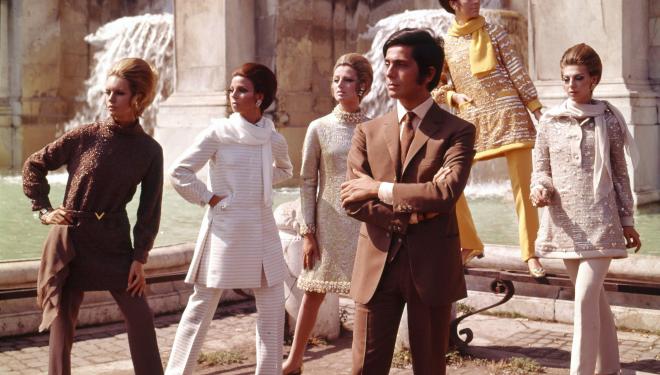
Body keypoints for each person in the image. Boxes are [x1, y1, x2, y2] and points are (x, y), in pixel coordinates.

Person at [340, 28, 475, 374]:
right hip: (376, 266)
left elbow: (444, 193)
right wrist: (409, 216)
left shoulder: (457, 131)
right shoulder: (367, 132)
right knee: (363, 368)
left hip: (432, 266)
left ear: (428, 74)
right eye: (386, 64)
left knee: (430, 368)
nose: (388, 73)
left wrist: (379, 188)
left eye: (400, 65)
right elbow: (352, 198)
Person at [22, 57, 164, 375]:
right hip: (70, 240)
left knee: (140, 315)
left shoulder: (149, 150)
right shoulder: (83, 136)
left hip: (113, 241)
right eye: (107, 92)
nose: (110, 100)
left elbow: (149, 209)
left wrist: (139, 257)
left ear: (138, 98)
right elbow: (34, 164)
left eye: (119, 93)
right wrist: (44, 210)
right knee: (61, 324)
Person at [166, 63, 293, 375]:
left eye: (241, 90)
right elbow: (179, 172)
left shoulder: (271, 138)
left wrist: (259, 184)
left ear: (260, 97)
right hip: (226, 228)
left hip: (263, 229)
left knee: (273, 307)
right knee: (202, 305)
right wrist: (211, 198)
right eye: (231, 90)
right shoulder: (217, 133)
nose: (233, 96)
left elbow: (287, 171)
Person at [530, 43, 641, 375]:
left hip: (602, 221)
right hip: (566, 224)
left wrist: (627, 220)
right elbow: (540, 167)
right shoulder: (549, 120)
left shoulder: (609, 120)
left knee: (583, 299)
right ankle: (611, 368)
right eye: (566, 78)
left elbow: (621, 174)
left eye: (578, 78)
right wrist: (540, 188)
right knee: (596, 302)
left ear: (594, 79)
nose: (570, 85)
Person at [436, 0, 545, 276]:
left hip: (511, 114)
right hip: (472, 121)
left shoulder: (495, 31)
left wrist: (536, 109)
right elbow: (438, 86)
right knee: (446, 179)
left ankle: (531, 253)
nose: (475, 1)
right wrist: (452, 96)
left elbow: (516, 71)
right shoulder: (445, 43)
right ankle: (470, 243)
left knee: (524, 189)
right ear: (453, 3)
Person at [282, 53, 373, 375]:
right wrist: (308, 232)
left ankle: (359, 366)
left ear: (362, 86)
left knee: (367, 299)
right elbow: (307, 181)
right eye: (336, 80)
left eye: (347, 80)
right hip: (328, 222)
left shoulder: (373, 128)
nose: (340, 86)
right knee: (313, 292)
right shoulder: (318, 127)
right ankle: (294, 361)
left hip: (364, 222)